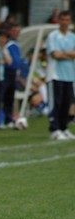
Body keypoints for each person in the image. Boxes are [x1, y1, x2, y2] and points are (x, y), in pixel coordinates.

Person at [45, 10, 75, 140]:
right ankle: (54, 128)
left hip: (69, 75)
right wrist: (68, 54)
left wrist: (63, 53)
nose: (65, 23)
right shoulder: (53, 36)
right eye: (62, 20)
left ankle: (64, 127)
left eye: (67, 20)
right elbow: (55, 54)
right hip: (55, 75)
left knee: (66, 103)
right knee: (56, 102)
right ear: (58, 21)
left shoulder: (72, 37)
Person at [0, 23, 21, 129]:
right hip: (5, 74)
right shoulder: (6, 46)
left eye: (18, 31)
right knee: (1, 97)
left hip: (13, 74)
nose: (16, 33)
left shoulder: (15, 44)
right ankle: (0, 119)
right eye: (14, 31)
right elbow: (9, 62)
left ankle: (8, 119)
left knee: (10, 98)